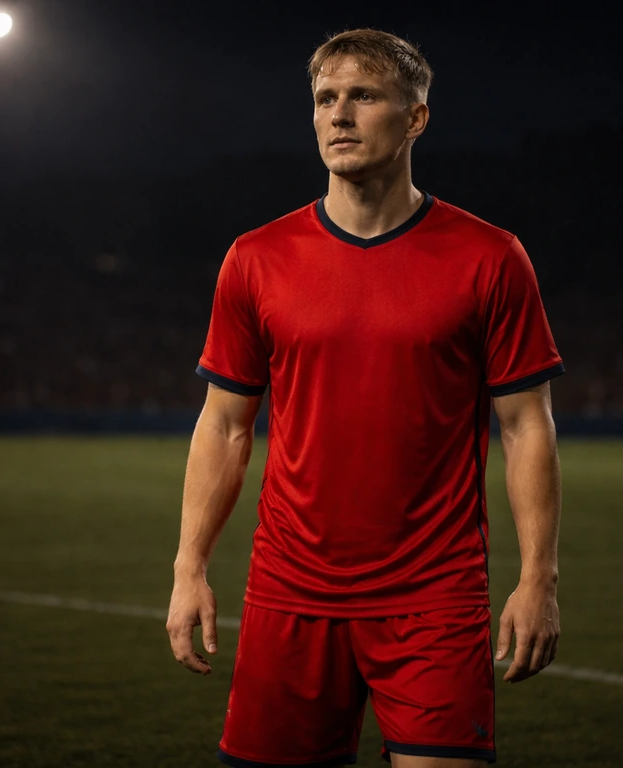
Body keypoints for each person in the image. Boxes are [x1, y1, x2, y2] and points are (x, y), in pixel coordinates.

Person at [167, 28, 564, 768]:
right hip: (290, 590)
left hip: (435, 594)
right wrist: (190, 567)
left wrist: (539, 576)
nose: (339, 115)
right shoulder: (256, 258)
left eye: (363, 96)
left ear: (416, 118)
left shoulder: (490, 257)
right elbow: (223, 426)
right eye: (325, 99)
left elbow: (525, 425)